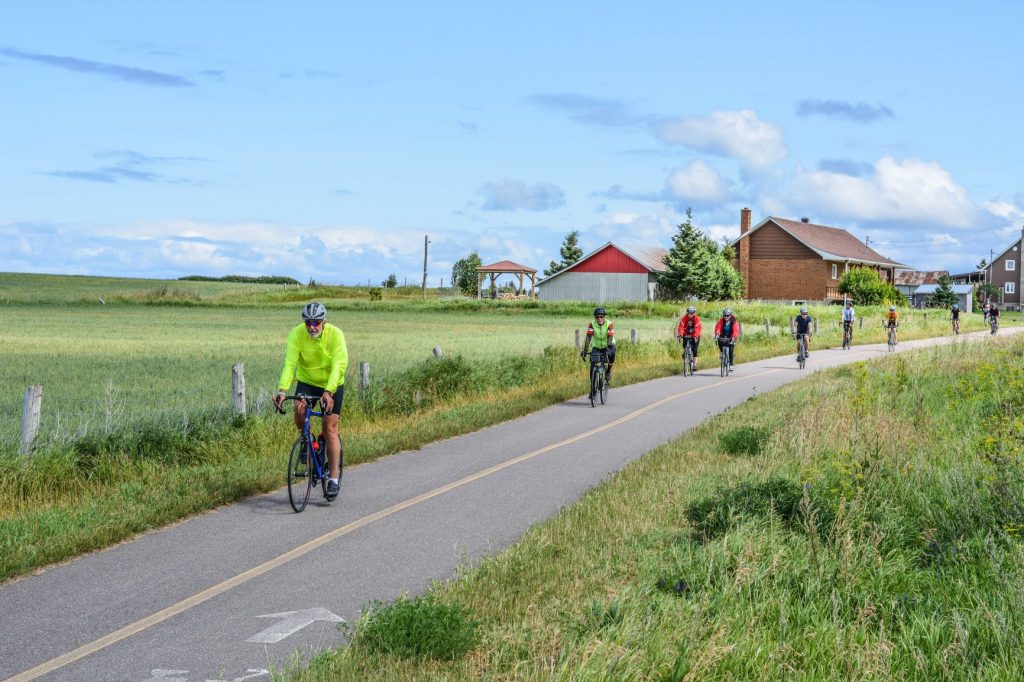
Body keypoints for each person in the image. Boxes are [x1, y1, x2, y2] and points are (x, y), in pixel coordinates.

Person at [273, 302, 349, 501]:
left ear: (324, 322)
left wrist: (329, 391)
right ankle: (308, 441)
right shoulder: (296, 334)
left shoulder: (335, 334)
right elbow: (290, 364)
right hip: (307, 381)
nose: (312, 326)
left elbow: (339, 365)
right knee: (299, 411)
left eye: (316, 322)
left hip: (331, 384)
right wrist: (282, 390)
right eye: (308, 322)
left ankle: (332, 479)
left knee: (330, 428)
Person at [581, 306, 616, 386]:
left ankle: (608, 371)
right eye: (597, 317)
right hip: (596, 346)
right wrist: (585, 350)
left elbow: (610, 336)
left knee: (612, 355)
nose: (599, 319)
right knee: (592, 365)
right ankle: (593, 388)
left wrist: (608, 347)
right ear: (595, 317)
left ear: (604, 317)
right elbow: (589, 337)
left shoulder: (609, 324)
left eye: (601, 317)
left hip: (608, 345)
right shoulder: (592, 324)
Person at [677, 306, 702, 371]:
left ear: (694, 313)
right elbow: (681, 327)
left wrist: (696, 336)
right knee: (684, 346)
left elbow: (697, 328)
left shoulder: (697, 319)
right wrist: (680, 334)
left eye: (692, 313)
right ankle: (686, 353)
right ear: (687, 313)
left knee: (695, 350)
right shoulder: (684, 318)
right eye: (689, 313)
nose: (690, 314)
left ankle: (694, 365)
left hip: (695, 335)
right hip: (686, 334)